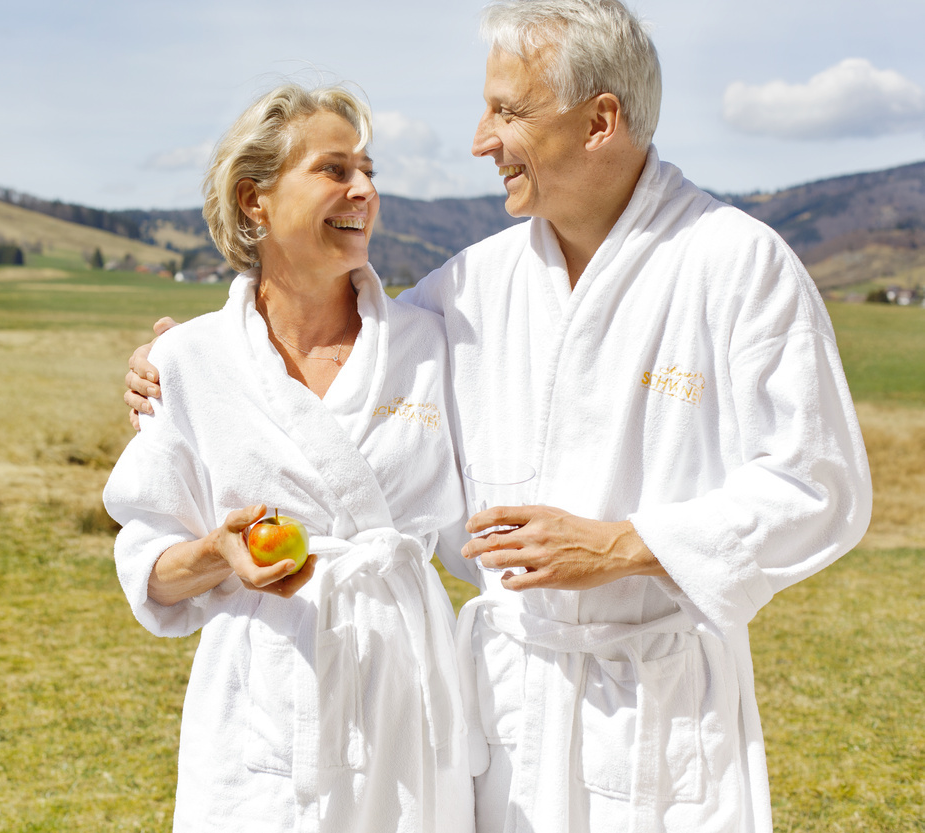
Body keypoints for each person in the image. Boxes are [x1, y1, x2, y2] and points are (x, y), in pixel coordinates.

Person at [123, 2, 874, 831]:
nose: (482, 140)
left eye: (507, 111)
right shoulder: (475, 285)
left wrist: (623, 545)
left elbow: (821, 486)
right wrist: (195, 357)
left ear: (599, 121)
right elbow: (344, 346)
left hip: (659, 706)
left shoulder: (737, 264)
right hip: (510, 711)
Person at [103, 83, 475, 833]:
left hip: (406, 693)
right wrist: (216, 552)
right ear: (255, 199)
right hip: (262, 706)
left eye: (368, 171)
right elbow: (149, 569)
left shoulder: (430, 345)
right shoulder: (190, 361)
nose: (363, 190)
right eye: (334, 169)